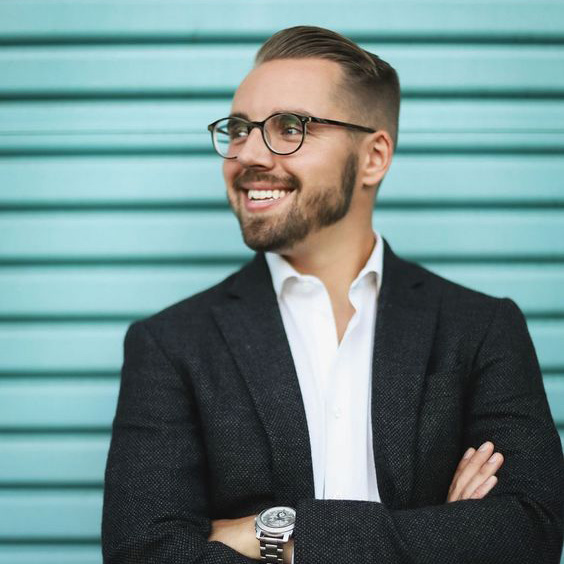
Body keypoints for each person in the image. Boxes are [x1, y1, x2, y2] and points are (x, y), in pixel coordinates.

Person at [101, 26, 563, 564]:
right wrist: (440, 533)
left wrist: (271, 533)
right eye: (238, 129)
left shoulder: (481, 328)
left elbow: (530, 533)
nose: (247, 153)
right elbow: (143, 553)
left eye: (289, 127)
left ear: (374, 157)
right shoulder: (170, 344)